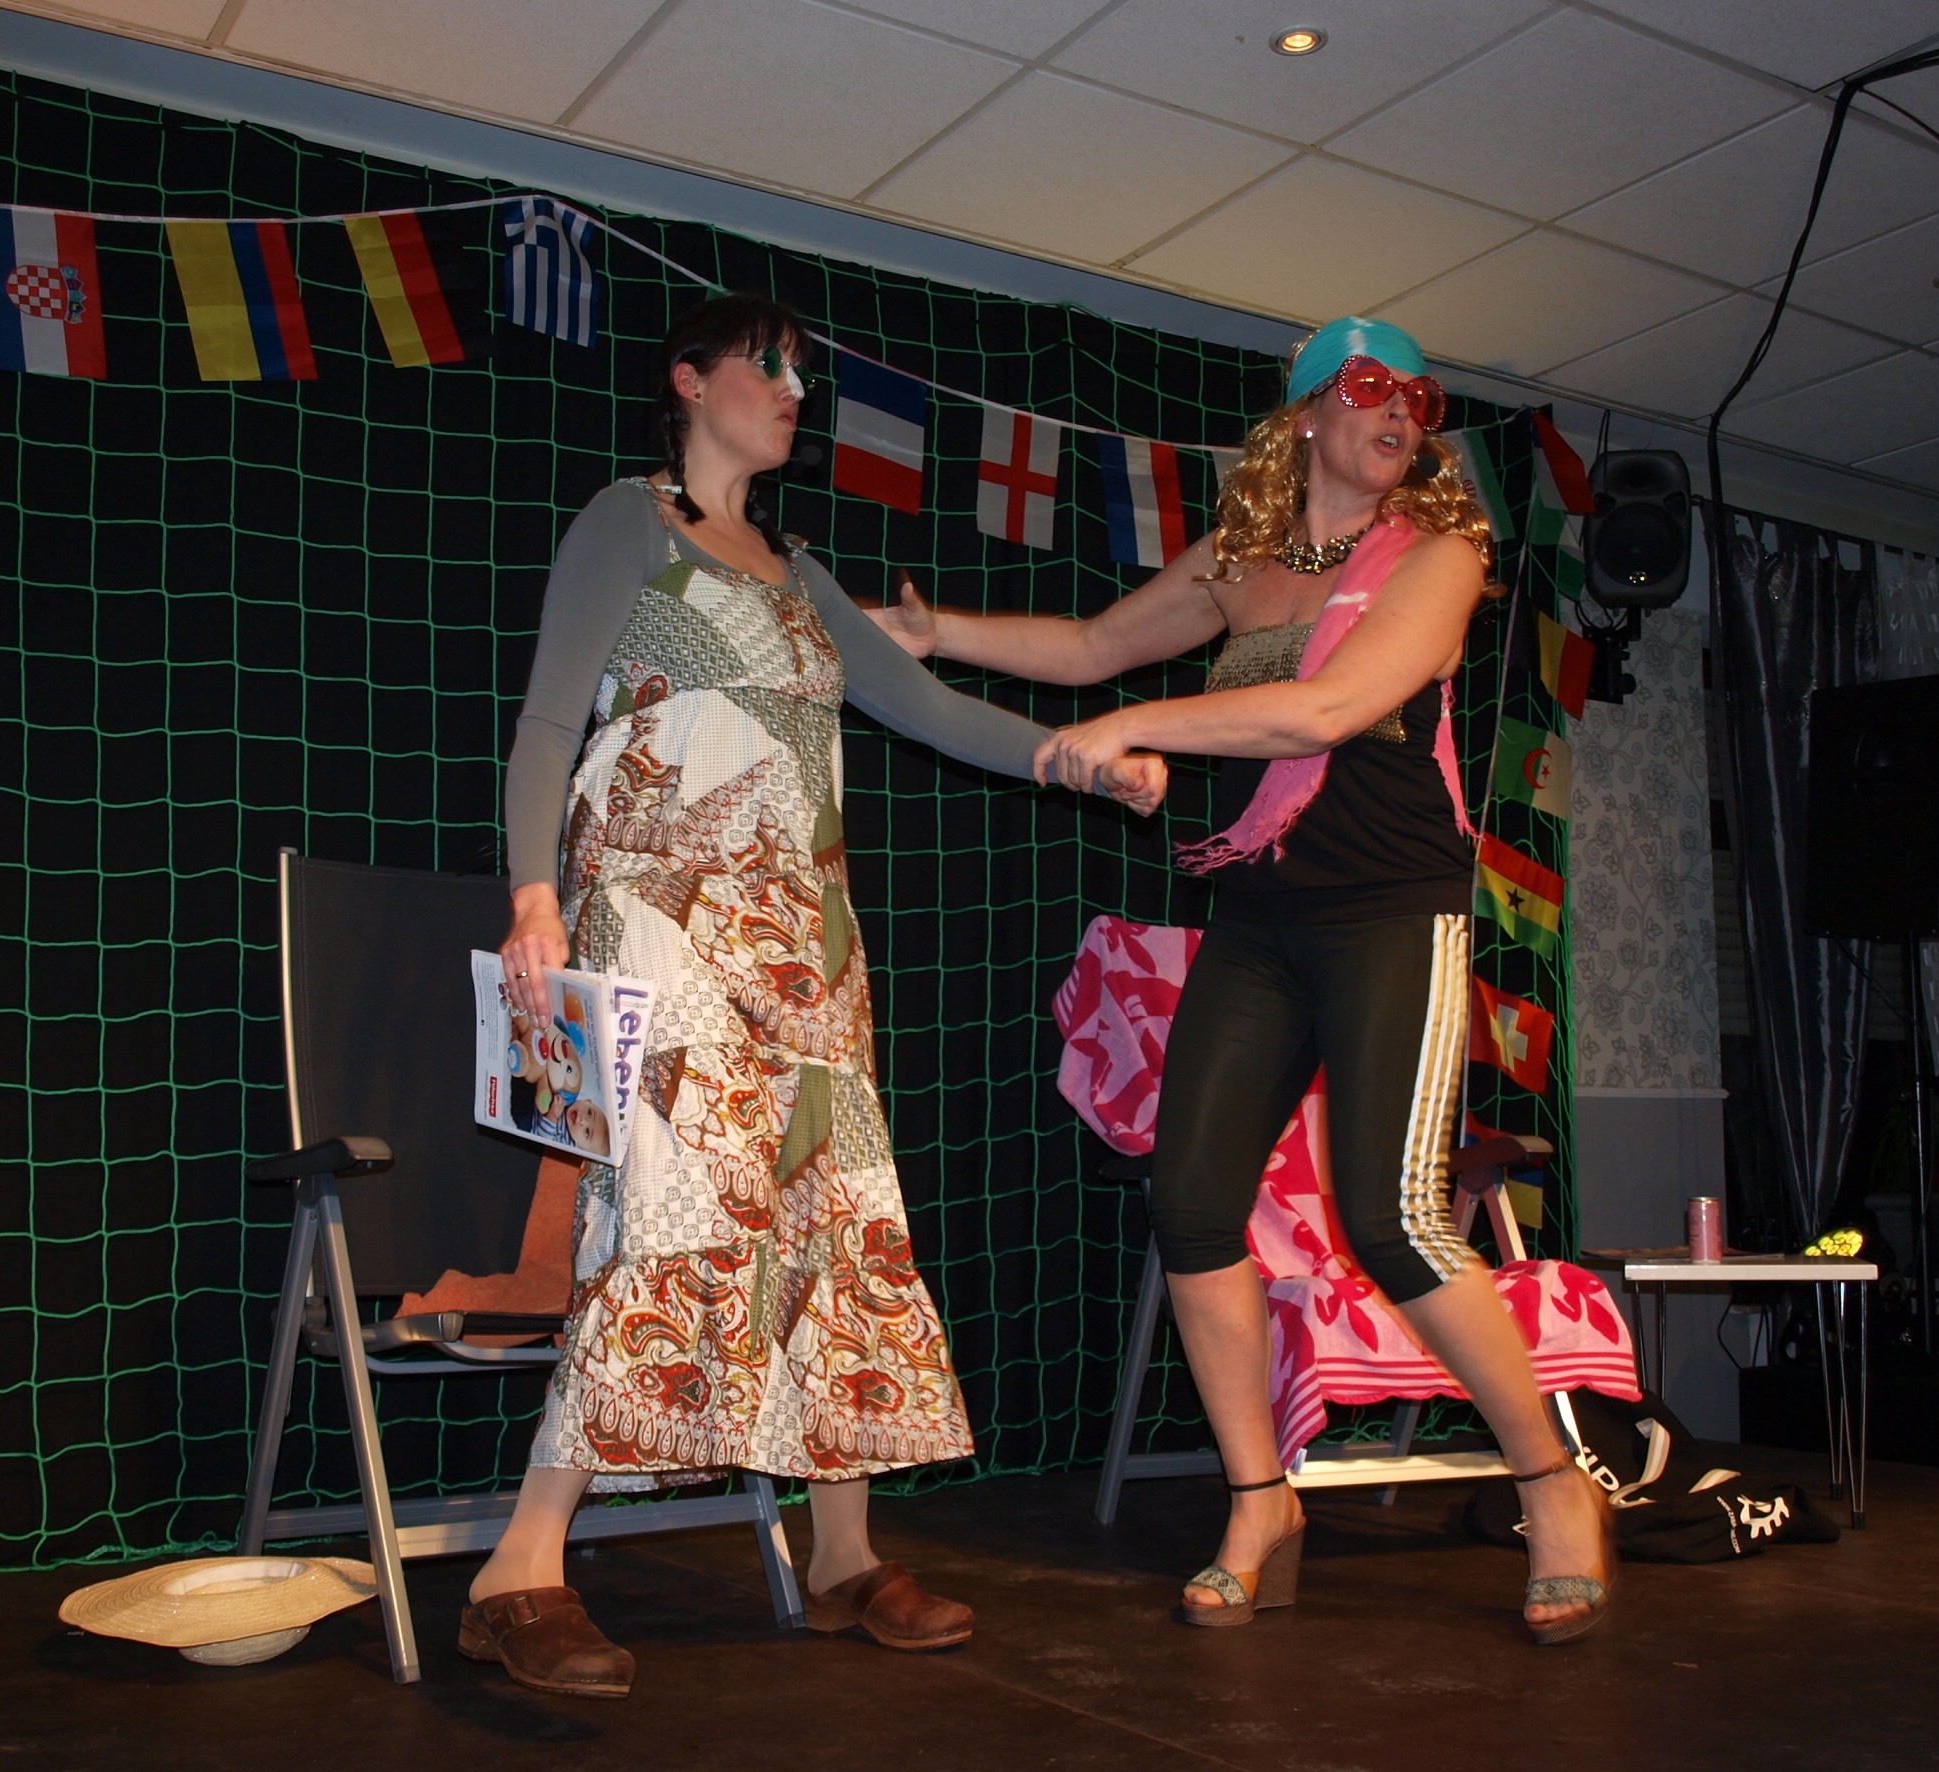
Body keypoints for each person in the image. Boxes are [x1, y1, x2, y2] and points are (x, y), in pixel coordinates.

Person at [464, 294, 1167, 1697]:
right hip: (660, 912)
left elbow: (928, 706)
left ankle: (844, 1557)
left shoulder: (800, 572)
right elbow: (548, 717)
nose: (793, 390)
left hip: (808, 944)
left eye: (802, 374)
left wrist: (1079, 758)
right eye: (766, 366)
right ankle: (518, 1569)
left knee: (838, 1216)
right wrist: (533, 895)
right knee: (676, 1206)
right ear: (689, 379)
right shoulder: (628, 522)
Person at [875, 317, 1617, 1644]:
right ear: (1309, 412)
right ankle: (1261, 1502)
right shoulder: (1239, 559)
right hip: (1262, 917)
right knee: (1192, 1205)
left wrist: (1135, 725)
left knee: (1394, 1220)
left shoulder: (1439, 553)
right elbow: (1093, 645)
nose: (1403, 413)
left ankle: (1553, 1485)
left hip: (1391, 910)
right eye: (1373, 388)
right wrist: (939, 636)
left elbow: (1325, 711)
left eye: (1420, 398)